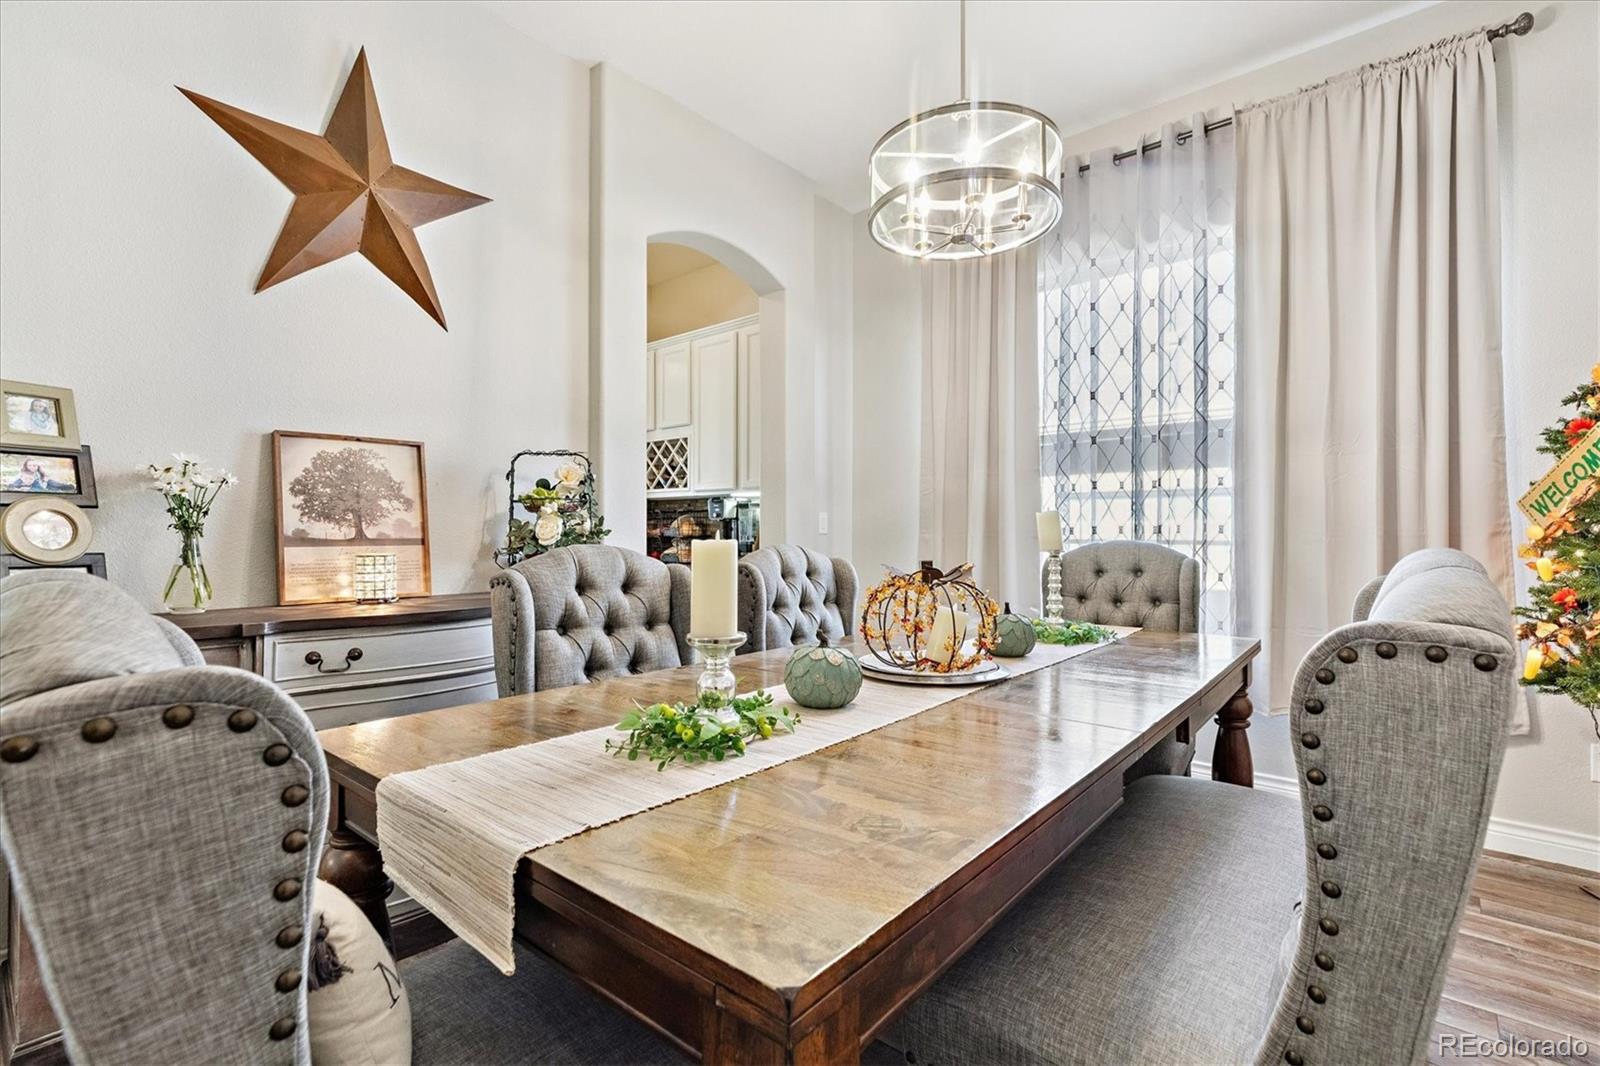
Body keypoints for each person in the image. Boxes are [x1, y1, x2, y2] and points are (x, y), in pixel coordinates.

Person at [6, 457, 71, 492]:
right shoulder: (23, 473)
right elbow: (17, 480)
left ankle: (64, 486)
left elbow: (43, 483)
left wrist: (45, 480)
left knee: (52, 483)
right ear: (26, 466)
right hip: (37, 486)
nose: (32, 467)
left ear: (37, 466)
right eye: (30, 465)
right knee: (51, 486)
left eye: (34, 466)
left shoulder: (39, 473)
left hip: (44, 485)